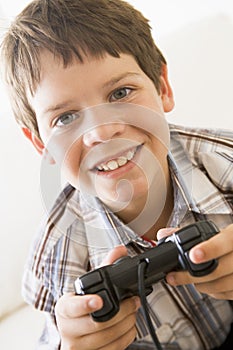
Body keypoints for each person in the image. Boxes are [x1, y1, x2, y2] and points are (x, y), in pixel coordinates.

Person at [1, 0, 233, 349]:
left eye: (120, 93)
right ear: (41, 144)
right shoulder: (57, 253)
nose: (101, 133)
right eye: (65, 118)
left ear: (162, 87)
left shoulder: (225, 162)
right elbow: (59, 337)